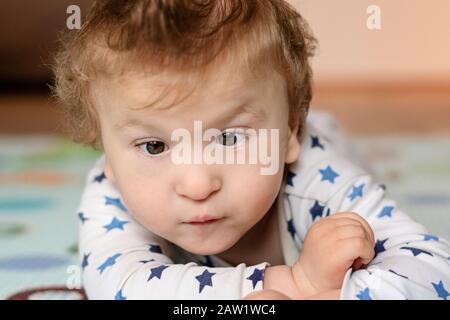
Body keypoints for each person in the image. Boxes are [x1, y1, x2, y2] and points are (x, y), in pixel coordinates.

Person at [52, 0, 450, 300]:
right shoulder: (112, 189)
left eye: (229, 138)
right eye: (154, 145)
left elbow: (434, 269)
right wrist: (292, 284)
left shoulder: (313, 178)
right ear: (107, 155)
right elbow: (122, 289)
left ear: (288, 133)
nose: (196, 184)